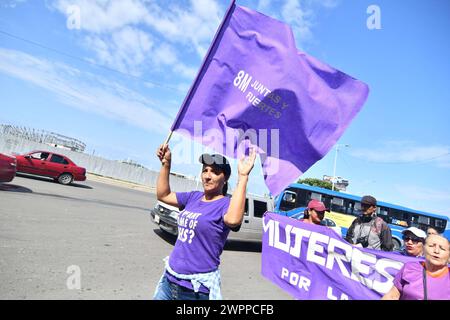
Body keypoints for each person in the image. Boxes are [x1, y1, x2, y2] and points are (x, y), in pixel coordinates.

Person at [153, 144, 256, 300]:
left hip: (195, 290)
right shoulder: (193, 197)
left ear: (225, 178)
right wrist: (166, 164)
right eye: (205, 170)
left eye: (215, 172)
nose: (207, 176)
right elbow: (163, 195)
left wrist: (243, 177)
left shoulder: (226, 204)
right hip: (169, 281)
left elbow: (234, 220)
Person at [382, 234, 450, 300]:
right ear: (424, 248)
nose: (436, 251)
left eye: (442, 248)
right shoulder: (409, 267)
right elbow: (392, 296)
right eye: (431, 246)